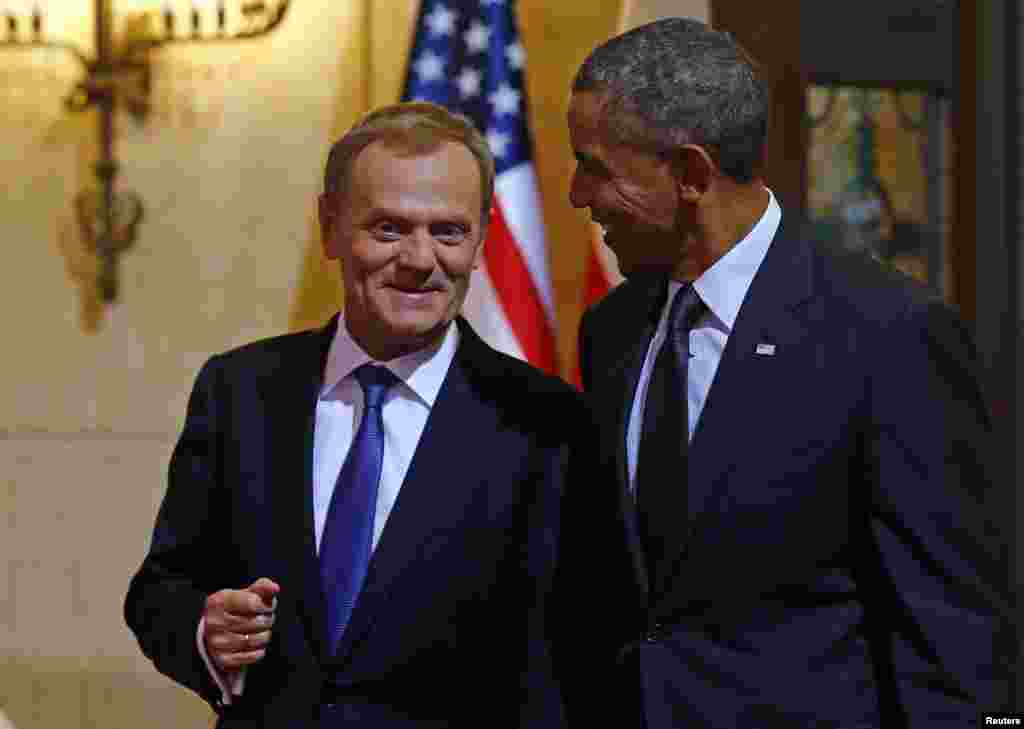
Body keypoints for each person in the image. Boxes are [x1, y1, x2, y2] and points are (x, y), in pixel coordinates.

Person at [554, 17, 1016, 728]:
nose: (578, 196)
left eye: (596, 167)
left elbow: (952, 632)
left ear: (691, 173)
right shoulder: (611, 331)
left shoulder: (886, 333)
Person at [125, 102, 583, 728]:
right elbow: (161, 588)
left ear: (481, 239)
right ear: (330, 228)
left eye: (448, 231)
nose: (422, 259)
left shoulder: (546, 423)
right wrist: (206, 632)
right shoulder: (242, 390)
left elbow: (566, 664)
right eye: (389, 229)